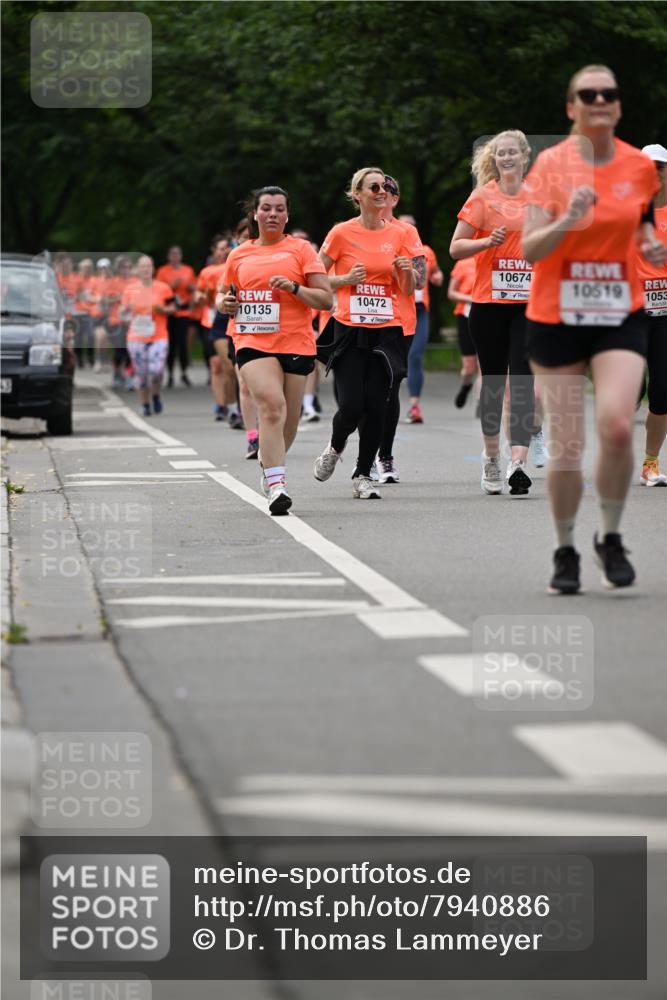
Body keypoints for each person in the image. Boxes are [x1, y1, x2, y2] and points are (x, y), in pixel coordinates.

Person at [522, 65, 665, 593]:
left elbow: (644, 229)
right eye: (588, 93)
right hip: (556, 316)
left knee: (619, 425)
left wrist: (651, 246)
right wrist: (568, 219)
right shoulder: (551, 167)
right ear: (572, 107)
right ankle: (565, 549)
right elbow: (531, 248)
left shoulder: (637, 167)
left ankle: (609, 536)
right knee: (566, 444)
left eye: (609, 93)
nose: (600, 99)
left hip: (618, 312)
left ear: (619, 106)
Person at [217, 186, 332, 514]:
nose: (272, 214)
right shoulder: (239, 253)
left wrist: (296, 288)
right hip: (252, 340)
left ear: (287, 215)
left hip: (296, 341)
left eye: (279, 209)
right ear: (254, 213)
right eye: (266, 208)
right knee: (271, 406)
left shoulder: (301, 250)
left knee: (288, 422)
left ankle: (270, 465)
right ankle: (278, 485)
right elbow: (223, 296)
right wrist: (225, 302)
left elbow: (326, 299)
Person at [313, 169, 417, 499]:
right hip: (349, 328)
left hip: (386, 330)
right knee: (352, 405)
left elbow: (410, 288)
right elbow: (313, 278)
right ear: (357, 194)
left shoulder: (399, 234)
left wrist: (408, 273)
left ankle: (362, 473)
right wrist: (344, 281)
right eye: (373, 187)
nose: (381, 191)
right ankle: (334, 446)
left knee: (378, 405)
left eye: (385, 186)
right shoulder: (342, 233)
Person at [450, 130, 536, 497]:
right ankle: (490, 459)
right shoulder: (483, 197)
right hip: (487, 305)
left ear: (525, 157)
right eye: (500, 153)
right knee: (495, 383)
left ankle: (518, 463)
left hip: (529, 306)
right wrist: (487, 241)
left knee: (523, 383)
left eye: (512, 153)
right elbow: (455, 248)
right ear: (494, 159)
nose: (506, 158)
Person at [374, 179, 425, 483]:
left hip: (397, 320)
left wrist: (405, 267)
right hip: (357, 321)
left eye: (388, 193)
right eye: (375, 192)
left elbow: (419, 280)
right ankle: (357, 452)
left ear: (396, 199)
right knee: (358, 394)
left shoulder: (407, 233)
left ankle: (384, 456)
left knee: (390, 389)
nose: (381, 197)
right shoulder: (348, 232)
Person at [635, 143, 667, 485]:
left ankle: (650, 463)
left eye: (660, 166)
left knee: (663, 390)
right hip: (628, 312)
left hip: (664, 314)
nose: (654, 171)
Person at [399, 212, 444, 424]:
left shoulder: (425, 251)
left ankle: (414, 405)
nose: (408, 229)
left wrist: (437, 276)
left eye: (412, 226)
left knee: (414, 356)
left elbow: (435, 272)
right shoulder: (390, 248)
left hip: (419, 310)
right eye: (405, 225)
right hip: (396, 308)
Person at [195, 237, 243, 427]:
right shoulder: (208, 271)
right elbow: (199, 294)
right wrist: (204, 296)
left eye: (227, 248)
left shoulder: (242, 263)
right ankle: (226, 407)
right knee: (222, 365)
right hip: (214, 320)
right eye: (220, 248)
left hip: (241, 320)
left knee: (238, 368)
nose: (224, 251)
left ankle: (239, 406)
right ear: (214, 251)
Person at [120, 256, 176, 416]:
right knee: (141, 373)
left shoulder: (163, 288)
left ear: (153, 269)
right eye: (142, 266)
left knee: (156, 370)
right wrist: (124, 311)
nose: (145, 269)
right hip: (136, 336)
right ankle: (145, 404)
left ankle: (156, 395)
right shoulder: (130, 289)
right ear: (137, 270)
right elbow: (122, 312)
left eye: (148, 266)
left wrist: (163, 310)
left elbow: (173, 308)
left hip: (159, 335)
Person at [156, 246, 196, 387]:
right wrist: (172, 286)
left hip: (184, 312)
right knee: (171, 345)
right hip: (170, 312)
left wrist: (192, 308)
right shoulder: (162, 271)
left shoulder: (188, 270)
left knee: (183, 344)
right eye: (172, 253)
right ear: (168, 256)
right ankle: (170, 374)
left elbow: (194, 291)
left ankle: (184, 372)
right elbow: (159, 292)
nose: (175, 256)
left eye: (178, 253)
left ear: (181, 255)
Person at [447, 256, 479, 408]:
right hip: (465, 316)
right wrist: (470, 298)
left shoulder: (494, 260)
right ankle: (466, 385)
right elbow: (451, 293)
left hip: (487, 317)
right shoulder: (463, 264)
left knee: (484, 364)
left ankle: (483, 401)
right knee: (469, 368)